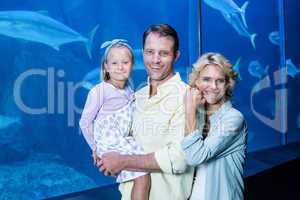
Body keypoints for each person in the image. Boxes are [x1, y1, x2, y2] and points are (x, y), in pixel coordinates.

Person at [97, 24, 194, 200]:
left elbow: (180, 159)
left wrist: (121, 160)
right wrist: (103, 153)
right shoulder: (136, 97)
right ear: (142, 53)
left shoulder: (188, 98)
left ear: (176, 56)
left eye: (163, 53)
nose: (155, 60)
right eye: (150, 52)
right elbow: (120, 138)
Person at [79, 39, 150, 200]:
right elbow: (84, 123)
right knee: (142, 177)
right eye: (114, 63)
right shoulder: (99, 90)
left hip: (124, 140)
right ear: (106, 67)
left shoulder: (129, 90)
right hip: (110, 144)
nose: (120, 67)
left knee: (141, 174)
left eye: (125, 62)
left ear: (133, 65)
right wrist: (95, 149)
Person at [182, 52, 248, 200]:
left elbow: (195, 157)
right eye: (206, 79)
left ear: (227, 85)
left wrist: (189, 109)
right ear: (196, 82)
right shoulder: (198, 116)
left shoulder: (234, 118)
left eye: (220, 81)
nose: (213, 86)